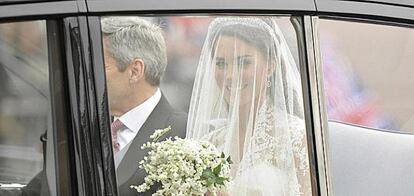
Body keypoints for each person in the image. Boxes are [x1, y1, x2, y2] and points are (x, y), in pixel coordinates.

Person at [187, 17, 311, 195]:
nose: (230, 75)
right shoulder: (208, 144)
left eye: (243, 62)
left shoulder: (296, 138)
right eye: (221, 64)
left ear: (270, 66)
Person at [101, 16, 187, 196]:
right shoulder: (84, 123)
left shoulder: (185, 136)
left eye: (99, 66)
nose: (87, 75)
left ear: (134, 71)